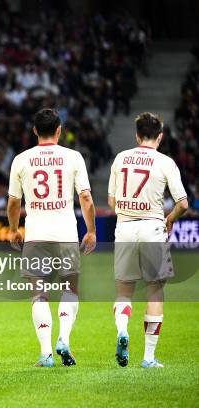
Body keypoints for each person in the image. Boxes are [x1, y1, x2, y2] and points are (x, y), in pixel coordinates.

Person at [7, 108, 96, 368]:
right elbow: (87, 198)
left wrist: (13, 229)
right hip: (66, 232)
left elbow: (14, 201)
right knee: (70, 289)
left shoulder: (22, 159)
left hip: (36, 234)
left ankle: (46, 353)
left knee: (39, 294)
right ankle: (64, 339)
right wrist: (90, 231)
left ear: (35, 130)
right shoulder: (73, 157)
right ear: (59, 130)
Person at [107, 112, 188, 368]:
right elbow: (183, 203)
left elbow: (111, 201)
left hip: (125, 228)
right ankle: (149, 358)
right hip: (153, 227)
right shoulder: (165, 162)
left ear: (136, 135)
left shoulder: (121, 158)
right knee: (154, 290)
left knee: (124, 290)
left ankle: (122, 330)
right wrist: (170, 218)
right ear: (160, 137)